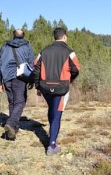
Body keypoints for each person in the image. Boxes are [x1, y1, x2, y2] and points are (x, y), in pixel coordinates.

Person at [33, 27, 80, 156]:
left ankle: (51, 135)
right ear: (64, 37)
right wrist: (69, 80)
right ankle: (52, 145)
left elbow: (35, 68)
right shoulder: (70, 52)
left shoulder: (44, 51)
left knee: (52, 110)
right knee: (57, 114)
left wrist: (38, 86)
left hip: (45, 87)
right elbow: (76, 69)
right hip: (61, 88)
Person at [0, 29, 35, 140]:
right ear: (23, 36)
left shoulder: (4, 47)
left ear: (13, 35)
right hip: (20, 77)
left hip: (6, 77)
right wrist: (31, 80)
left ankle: (13, 131)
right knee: (20, 102)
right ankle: (12, 123)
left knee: (12, 102)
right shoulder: (27, 46)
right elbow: (31, 64)